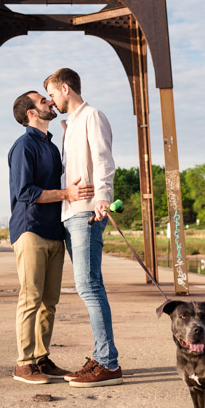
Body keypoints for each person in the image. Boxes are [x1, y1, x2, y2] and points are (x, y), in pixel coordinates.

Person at [43, 68, 122, 387]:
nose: (51, 99)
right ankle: (102, 356)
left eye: (52, 93)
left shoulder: (92, 116)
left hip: (86, 212)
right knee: (87, 285)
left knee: (90, 285)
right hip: (69, 213)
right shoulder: (69, 124)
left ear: (65, 88)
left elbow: (104, 159)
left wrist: (103, 197)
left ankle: (108, 363)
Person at [8, 90, 94, 385]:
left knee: (50, 302)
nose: (50, 102)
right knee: (30, 298)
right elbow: (24, 192)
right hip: (30, 229)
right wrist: (66, 194)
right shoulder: (23, 146)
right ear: (31, 113)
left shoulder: (52, 146)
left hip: (54, 231)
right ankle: (23, 363)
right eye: (43, 101)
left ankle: (41, 359)